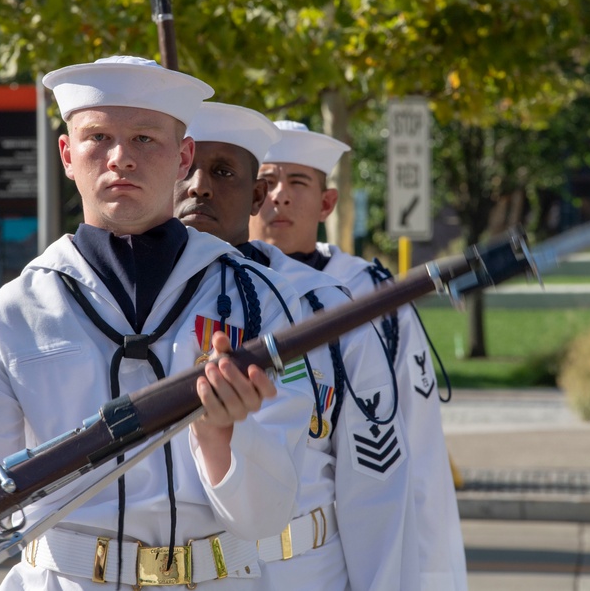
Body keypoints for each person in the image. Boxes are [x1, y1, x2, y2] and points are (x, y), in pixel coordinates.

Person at [0, 57, 315, 591]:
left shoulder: (259, 302)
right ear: (66, 155)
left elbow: (269, 514)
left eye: (145, 138)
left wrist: (222, 438)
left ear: (182, 157)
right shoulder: (4, 321)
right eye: (98, 137)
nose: (121, 157)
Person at [174, 102, 420, 590]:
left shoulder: (325, 307)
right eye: (187, 168)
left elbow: (375, 484)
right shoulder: (124, 308)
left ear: (256, 196)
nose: (199, 186)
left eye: (223, 172)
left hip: (302, 572)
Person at [248, 120, 469, 591]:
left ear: (327, 203)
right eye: (266, 182)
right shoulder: (213, 286)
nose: (279, 196)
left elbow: (419, 455)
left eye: (297, 182)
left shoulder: (375, 297)